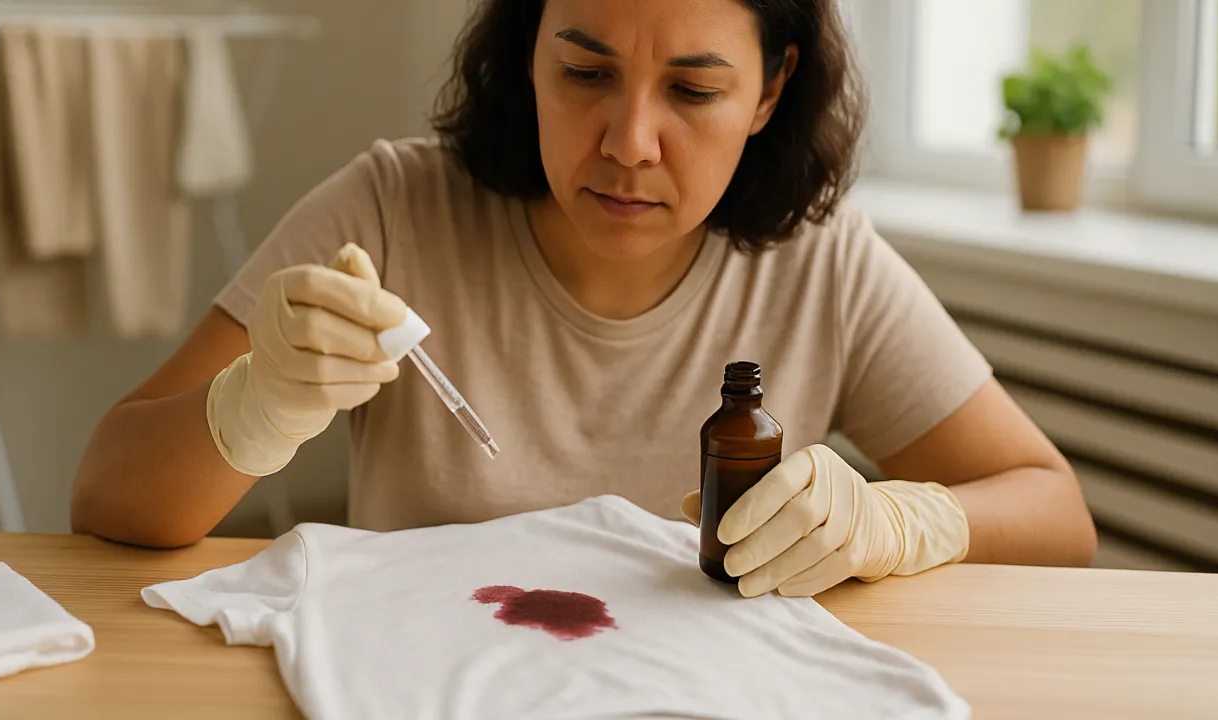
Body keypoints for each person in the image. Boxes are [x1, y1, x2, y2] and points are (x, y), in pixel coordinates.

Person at [71, 0, 1097, 597]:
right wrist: (252, 409)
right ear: (527, 52)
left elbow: (1054, 514)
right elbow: (107, 496)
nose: (627, 142)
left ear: (770, 90)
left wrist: (894, 523)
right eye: (582, 71)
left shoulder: (820, 263)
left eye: (692, 92)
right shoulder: (389, 207)